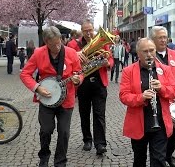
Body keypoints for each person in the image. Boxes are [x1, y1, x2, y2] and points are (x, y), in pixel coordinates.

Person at [20, 26, 83, 167]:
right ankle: (44, 157)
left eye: (59, 42)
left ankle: (60, 162)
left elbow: (80, 72)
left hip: (66, 100)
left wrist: (78, 79)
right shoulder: (38, 53)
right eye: (53, 44)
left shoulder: (72, 53)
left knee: (64, 133)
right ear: (46, 43)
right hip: (46, 99)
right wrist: (37, 88)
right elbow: (25, 74)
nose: (58, 46)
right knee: (46, 130)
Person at [119, 37, 175, 167]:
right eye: (145, 51)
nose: (149, 54)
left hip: (160, 123)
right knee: (139, 160)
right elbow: (124, 96)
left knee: (158, 160)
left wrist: (161, 88)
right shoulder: (128, 71)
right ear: (138, 54)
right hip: (139, 122)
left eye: (151, 50)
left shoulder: (166, 69)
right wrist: (141, 97)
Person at [69, 19, 113, 155]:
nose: (88, 33)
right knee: (84, 113)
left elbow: (110, 58)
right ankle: (87, 140)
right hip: (83, 83)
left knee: (99, 114)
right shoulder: (74, 44)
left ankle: (100, 144)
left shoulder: (101, 41)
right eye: (85, 31)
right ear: (81, 31)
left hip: (99, 83)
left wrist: (107, 63)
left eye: (90, 30)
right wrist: (77, 56)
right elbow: (68, 59)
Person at [150, 26, 175, 167]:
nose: (163, 40)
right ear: (153, 39)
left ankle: (169, 155)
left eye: (164, 37)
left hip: (174, 99)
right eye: (159, 37)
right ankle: (160, 157)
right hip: (158, 99)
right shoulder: (150, 54)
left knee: (174, 132)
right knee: (161, 131)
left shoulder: (174, 54)